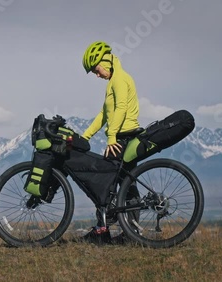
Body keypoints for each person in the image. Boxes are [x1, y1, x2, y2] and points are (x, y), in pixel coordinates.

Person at [80, 41, 141, 244]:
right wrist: (85, 136)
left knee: (108, 183)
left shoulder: (120, 79)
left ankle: (103, 230)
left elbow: (121, 107)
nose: (97, 75)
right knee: (124, 183)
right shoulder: (112, 83)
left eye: (96, 70)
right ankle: (128, 232)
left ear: (105, 60)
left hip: (124, 137)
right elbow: (103, 115)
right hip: (120, 136)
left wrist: (112, 137)